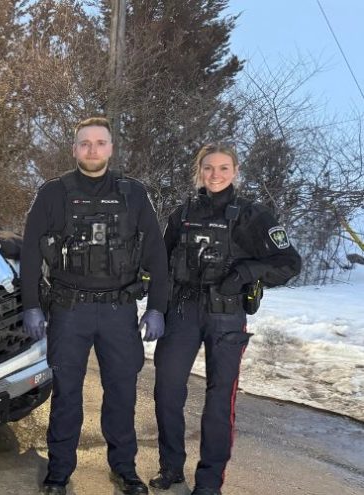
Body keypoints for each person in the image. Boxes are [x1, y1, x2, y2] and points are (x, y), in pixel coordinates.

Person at [21, 117, 169, 495]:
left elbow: (156, 253)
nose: (92, 149)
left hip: (120, 312)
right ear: (74, 149)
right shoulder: (53, 193)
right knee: (67, 395)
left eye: (100, 143)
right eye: (84, 143)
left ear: (111, 148)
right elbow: (29, 253)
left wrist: (156, 308)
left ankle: (124, 469)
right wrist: (31, 306)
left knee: (121, 393)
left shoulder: (134, 194)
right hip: (69, 311)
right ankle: (59, 471)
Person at [150, 143, 301, 495]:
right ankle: (171, 467)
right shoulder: (183, 212)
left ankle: (209, 483)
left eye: (223, 168)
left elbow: (289, 263)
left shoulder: (254, 215)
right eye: (208, 168)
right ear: (198, 171)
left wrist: (246, 272)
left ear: (235, 171)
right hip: (182, 311)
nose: (215, 175)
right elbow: (159, 263)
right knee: (167, 392)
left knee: (220, 400)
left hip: (226, 314)